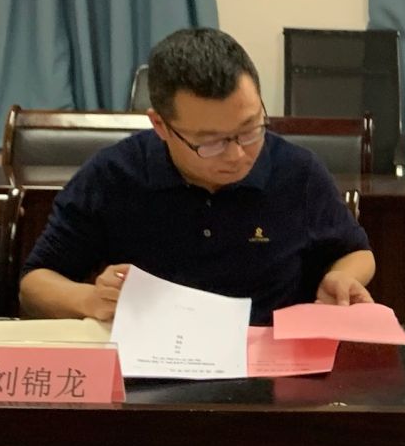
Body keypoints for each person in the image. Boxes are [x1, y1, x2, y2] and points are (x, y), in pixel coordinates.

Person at [19, 28, 375, 325]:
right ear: (160, 125)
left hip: (269, 365)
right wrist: (89, 299)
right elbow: (34, 283)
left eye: (250, 128)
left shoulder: (297, 171)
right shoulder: (114, 174)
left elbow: (356, 252)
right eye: (210, 142)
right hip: (153, 368)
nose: (237, 155)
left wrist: (341, 278)